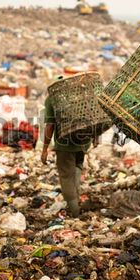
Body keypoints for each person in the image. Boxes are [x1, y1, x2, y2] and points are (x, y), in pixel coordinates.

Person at [41, 81, 92, 218]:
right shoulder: (80, 96)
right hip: (83, 142)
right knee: (77, 166)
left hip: (65, 144)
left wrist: (45, 149)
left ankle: (75, 212)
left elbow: (50, 126)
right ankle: (76, 199)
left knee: (66, 177)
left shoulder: (52, 98)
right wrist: (95, 138)